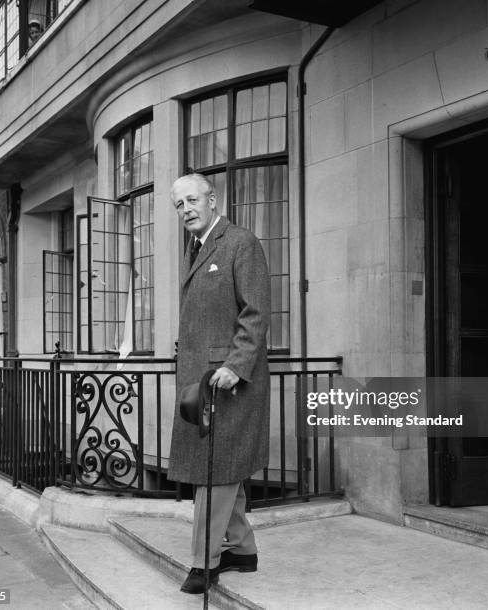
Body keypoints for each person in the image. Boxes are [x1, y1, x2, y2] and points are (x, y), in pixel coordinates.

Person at [168, 173, 271, 594]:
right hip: (202, 383)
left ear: (213, 200)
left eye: (192, 200)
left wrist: (235, 364)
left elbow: (256, 312)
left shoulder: (239, 242)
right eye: (179, 205)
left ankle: (203, 564)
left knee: (214, 474)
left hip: (228, 382)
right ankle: (242, 550)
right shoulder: (196, 248)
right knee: (222, 469)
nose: (186, 209)